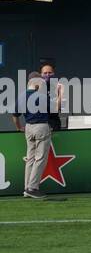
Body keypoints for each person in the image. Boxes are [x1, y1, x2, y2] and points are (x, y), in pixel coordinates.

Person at [22, 71, 53, 199]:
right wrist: (60, 94)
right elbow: (55, 109)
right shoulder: (41, 96)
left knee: (30, 159)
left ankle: (26, 188)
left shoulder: (23, 95)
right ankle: (32, 188)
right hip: (41, 127)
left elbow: (14, 114)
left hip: (28, 127)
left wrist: (19, 127)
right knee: (40, 158)